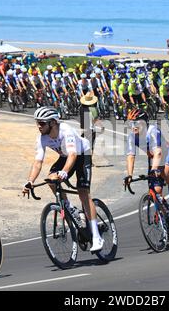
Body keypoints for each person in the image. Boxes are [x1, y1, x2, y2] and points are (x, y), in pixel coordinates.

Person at [22, 107, 104, 252]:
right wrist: (30, 181)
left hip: (82, 155)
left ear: (53, 123)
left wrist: (65, 172)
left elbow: (73, 154)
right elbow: (38, 162)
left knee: (83, 192)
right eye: (38, 123)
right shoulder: (42, 137)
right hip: (66, 157)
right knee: (50, 179)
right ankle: (69, 207)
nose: (38, 126)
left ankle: (97, 237)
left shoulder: (66, 130)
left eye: (42, 123)